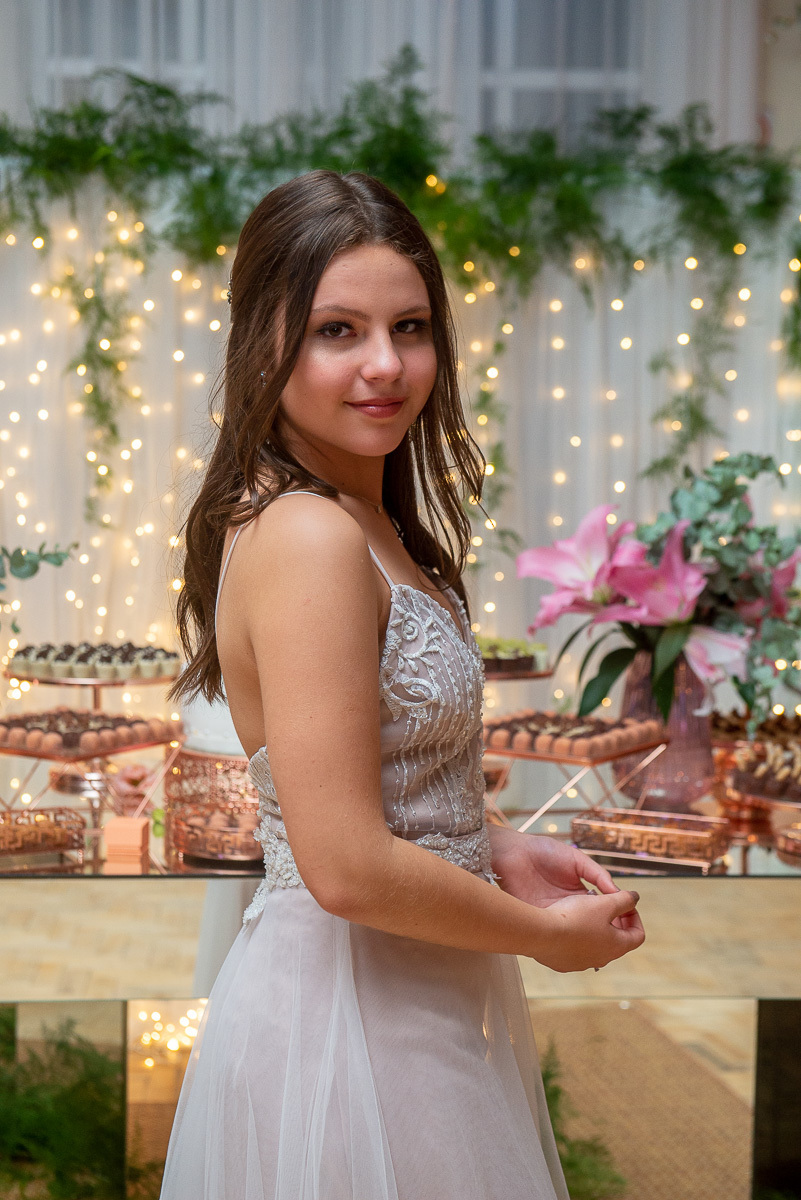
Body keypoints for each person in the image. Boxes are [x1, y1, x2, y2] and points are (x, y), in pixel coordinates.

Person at [161, 169, 645, 1199]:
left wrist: (493, 844)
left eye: (410, 327)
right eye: (337, 330)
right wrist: (545, 940)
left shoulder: (361, 516)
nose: (385, 364)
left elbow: (368, 783)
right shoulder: (308, 533)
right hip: (350, 1026)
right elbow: (342, 864)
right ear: (263, 342)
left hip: (406, 1000)